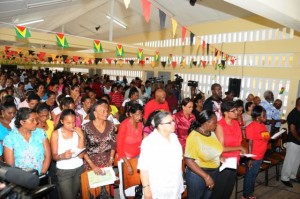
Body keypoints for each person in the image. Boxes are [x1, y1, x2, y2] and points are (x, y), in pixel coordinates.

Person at [138, 111, 184, 199]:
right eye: (169, 122)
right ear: (160, 125)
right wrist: (147, 189)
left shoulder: (174, 137)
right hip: (159, 188)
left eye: (173, 121)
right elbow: (143, 168)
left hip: (175, 185)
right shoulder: (149, 142)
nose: (174, 123)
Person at [210, 101, 246, 199]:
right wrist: (239, 148)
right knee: (219, 191)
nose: (236, 113)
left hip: (235, 161)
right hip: (224, 162)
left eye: (236, 110)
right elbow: (221, 148)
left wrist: (241, 152)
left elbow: (238, 142)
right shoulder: (220, 126)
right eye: (233, 111)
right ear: (225, 113)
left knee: (228, 190)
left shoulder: (235, 123)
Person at [184, 110, 222, 199]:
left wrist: (218, 157)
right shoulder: (194, 136)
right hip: (198, 175)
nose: (216, 125)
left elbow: (213, 149)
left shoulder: (211, 133)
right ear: (207, 122)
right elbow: (188, 160)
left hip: (213, 172)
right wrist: (206, 177)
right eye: (214, 123)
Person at [3, 108, 51, 174]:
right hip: (21, 178)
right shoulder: (10, 138)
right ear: (22, 122)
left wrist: (42, 174)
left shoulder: (40, 133)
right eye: (32, 120)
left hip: (41, 175)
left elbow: (48, 156)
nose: (36, 122)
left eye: (36, 119)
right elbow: (11, 165)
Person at [50, 109, 85, 199]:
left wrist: (81, 137)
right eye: (68, 123)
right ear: (62, 121)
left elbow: (81, 155)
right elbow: (54, 156)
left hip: (78, 168)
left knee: (74, 195)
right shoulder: (56, 134)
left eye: (73, 122)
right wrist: (63, 156)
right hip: (64, 171)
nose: (71, 125)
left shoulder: (78, 131)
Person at [242, 105, 270, 199]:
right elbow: (249, 144)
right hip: (254, 157)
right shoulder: (251, 127)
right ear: (258, 117)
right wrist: (250, 158)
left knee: (253, 176)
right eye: (264, 115)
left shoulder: (263, 125)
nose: (266, 117)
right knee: (249, 177)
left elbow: (265, 137)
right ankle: (246, 196)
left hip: (261, 155)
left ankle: (249, 192)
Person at [117, 103, 143, 199]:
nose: (139, 116)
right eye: (137, 114)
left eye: (141, 114)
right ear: (131, 114)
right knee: (126, 186)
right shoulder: (124, 125)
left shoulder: (140, 125)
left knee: (136, 184)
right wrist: (128, 164)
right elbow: (119, 147)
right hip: (125, 158)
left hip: (137, 157)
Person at [83, 100, 116, 172]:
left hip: (107, 163)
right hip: (91, 165)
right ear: (95, 113)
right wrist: (92, 165)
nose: (106, 113)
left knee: (108, 183)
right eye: (103, 111)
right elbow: (83, 150)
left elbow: (113, 144)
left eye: (107, 111)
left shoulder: (110, 125)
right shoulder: (86, 127)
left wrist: (111, 160)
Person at [281, 98, 300, 187]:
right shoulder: (293, 114)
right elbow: (292, 129)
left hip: (298, 141)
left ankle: (292, 176)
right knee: (290, 160)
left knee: (297, 161)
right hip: (293, 140)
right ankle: (285, 178)